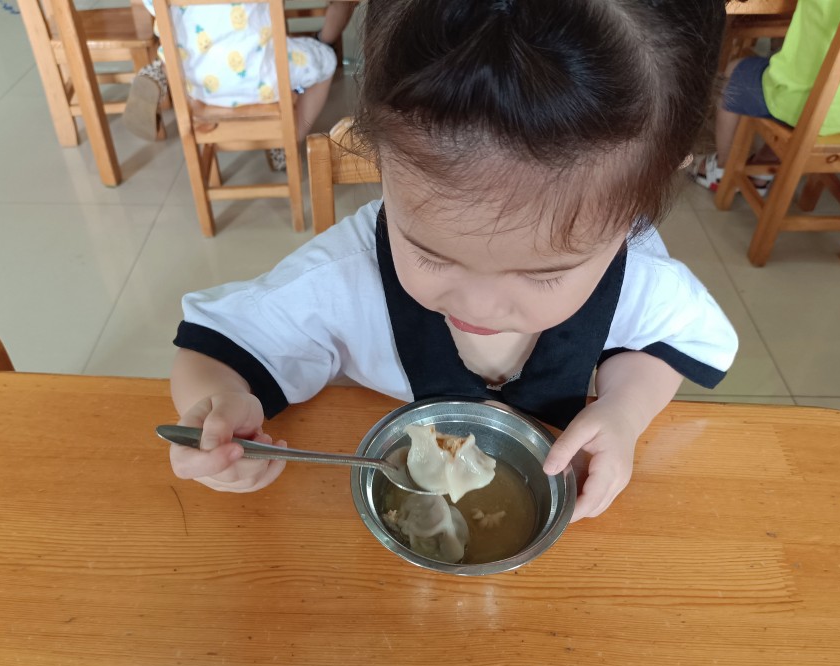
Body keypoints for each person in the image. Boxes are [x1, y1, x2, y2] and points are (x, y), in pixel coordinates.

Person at [166, 0, 740, 522]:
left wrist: (625, 410)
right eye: (430, 253)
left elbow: (664, 342)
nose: (479, 306)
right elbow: (215, 349)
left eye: (544, 274)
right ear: (378, 159)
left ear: (637, 205)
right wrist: (217, 412)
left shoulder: (640, 276)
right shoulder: (344, 275)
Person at [696, 0, 840, 191]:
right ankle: (761, 171)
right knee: (803, 69)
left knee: (734, 73)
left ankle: (724, 168)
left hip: (808, 107)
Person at [123, 1, 354, 168]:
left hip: (198, 84)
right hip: (262, 82)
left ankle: (161, 72)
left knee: (184, 43)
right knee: (325, 60)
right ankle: (287, 142)